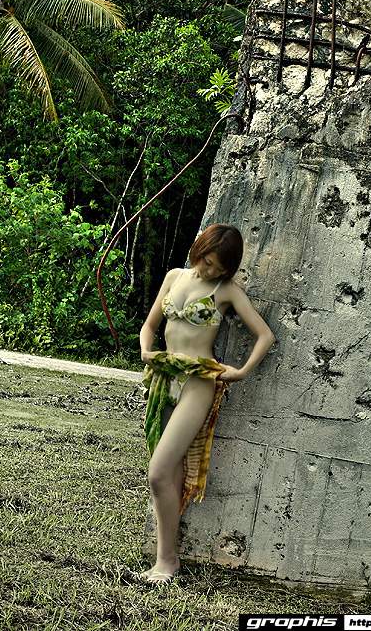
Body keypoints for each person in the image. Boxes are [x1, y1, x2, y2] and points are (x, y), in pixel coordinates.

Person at [137, 222, 276, 585]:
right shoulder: (174, 276)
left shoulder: (225, 291)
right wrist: (146, 351)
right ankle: (165, 559)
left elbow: (265, 335)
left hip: (198, 383)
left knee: (157, 472)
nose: (209, 270)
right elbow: (149, 326)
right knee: (168, 473)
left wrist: (240, 372)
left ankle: (167, 561)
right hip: (164, 377)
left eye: (217, 267)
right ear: (198, 249)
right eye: (206, 261)